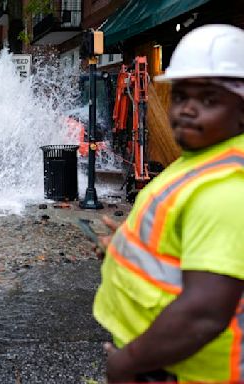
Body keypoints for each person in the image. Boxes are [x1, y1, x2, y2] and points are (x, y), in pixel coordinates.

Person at [93, 24, 244, 383]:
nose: (188, 110)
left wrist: (128, 361)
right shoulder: (203, 159)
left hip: (189, 371)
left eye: (208, 99)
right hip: (164, 359)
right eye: (181, 96)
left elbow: (203, 314)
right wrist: (126, 249)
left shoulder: (228, 191)